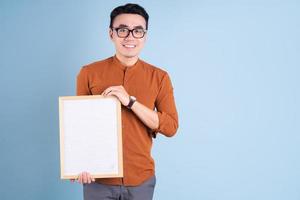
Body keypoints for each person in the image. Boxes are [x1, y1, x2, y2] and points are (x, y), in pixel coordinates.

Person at [75, 3, 179, 200]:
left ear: (145, 36)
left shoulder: (160, 77)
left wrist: (131, 102)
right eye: (123, 30)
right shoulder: (88, 73)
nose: (130, 36)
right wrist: (78, 164)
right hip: (98, 180)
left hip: (141, 179)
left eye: (138, 31)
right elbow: (80, 125)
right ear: (111, 34)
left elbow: (171, 127)